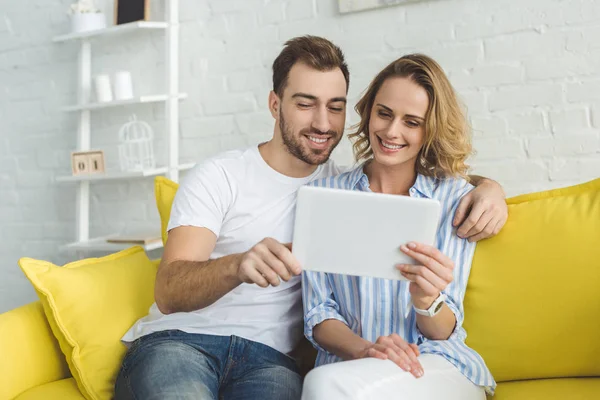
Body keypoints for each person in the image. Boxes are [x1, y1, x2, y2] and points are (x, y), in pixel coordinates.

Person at [114, 37, 506, 400]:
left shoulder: (364, 191)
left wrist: (490, 188)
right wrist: (237, 265)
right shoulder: (231, 177)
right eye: (305, 104)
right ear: (274, 104)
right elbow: (169, 292)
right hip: (182, 343)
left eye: (335, 106)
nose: (322, 122)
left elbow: (428, 178)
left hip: (271, 361)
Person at [301, 54, 496, 400]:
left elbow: (443, 330)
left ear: (430, 129)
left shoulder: (454, 199)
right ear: (369, 112)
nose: (391, 132)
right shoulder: (324, 196)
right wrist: (367, 350)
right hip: (351, 370)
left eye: (412, 122)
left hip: (436, 366)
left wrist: (426, 299)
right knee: (322, 383)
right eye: (384, 114)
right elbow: (319, 314)